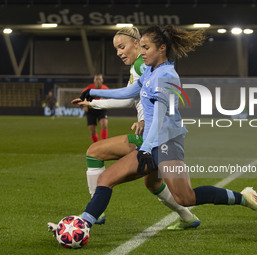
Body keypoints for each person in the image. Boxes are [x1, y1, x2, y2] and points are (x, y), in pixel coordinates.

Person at [74, 24, 257, 233]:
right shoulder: (150, 71)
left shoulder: (167, 75)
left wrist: (146, 148)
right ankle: (82, 225)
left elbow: (160, 116)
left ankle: (245, 198)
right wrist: (93, 92)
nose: (141, 52)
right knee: (107, 179)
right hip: (152, 143)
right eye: (141, 47)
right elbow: (130, 91)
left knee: (186, 198)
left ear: (162, 48)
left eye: (146, 48)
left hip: (168, 144)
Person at [48, 27, 200, 231]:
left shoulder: (141, 65)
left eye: (122, 47)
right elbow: (136, 96)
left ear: (137, 44)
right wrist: (94, 100)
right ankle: (187, 216)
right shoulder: (144, 65)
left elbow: (132, 99)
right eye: (116, 49)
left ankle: (93, 214)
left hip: (151, 136)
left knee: (95, 152)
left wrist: (97, 104)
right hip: (155, 135)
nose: (119, 52)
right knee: (154, 185)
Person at [83, 74, 109, 142]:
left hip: (101, 109)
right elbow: (83, 96)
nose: (98, 81)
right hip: (91, 110)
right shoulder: (90, 87)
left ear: (102, 80)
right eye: (96, 79)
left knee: (104, 125)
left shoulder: (105, 88)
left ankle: (103, 143)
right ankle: (96, 144)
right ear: (94, 80)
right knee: (92, 130)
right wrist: (85, 105)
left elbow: (110, 97)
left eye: (99, 79)